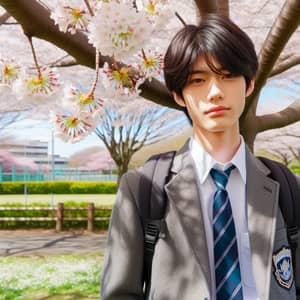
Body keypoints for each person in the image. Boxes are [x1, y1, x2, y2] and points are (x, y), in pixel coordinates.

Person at [101, 14, 299, 300]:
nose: (216, 92)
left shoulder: (287, 188)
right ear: (179, 95)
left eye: (228, 75)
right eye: (198, 80)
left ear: (249, 84)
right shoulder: (143, 188)